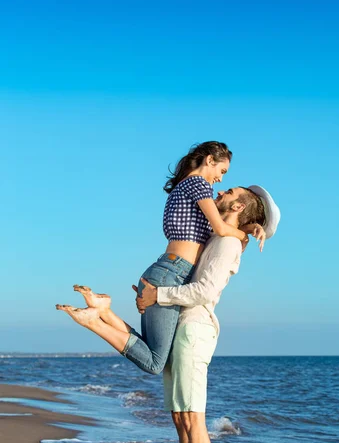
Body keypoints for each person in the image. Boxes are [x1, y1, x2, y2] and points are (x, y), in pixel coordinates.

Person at [56, 142, 265, 372]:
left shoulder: (183, 189)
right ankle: (93, 321)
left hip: (167, 270)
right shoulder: (198, 184)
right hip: (173, 273)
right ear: (209, 161)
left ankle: (103, 310)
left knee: (151, 349)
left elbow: (219, 228)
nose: (221, 180)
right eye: (221, 171)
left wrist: (249, 226)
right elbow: (222, 228)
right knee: (156, 362)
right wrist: (244, 237)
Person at [135, 185, 281, 443]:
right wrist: (249, 229)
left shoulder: (228, 242)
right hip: (182, 326)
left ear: (239, 205)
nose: (220, 191)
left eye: (229, 190)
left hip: (195, 330)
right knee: (180, 417)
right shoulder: (224, 236)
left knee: (192, 417)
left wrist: (157, 294)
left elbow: (205, 290)